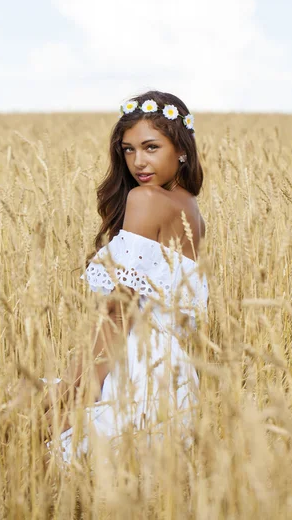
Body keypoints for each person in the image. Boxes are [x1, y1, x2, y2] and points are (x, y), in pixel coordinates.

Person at [41, 90, 209, 465]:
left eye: (151, 147)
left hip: (133, 373)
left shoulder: (146, 199)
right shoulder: (190, 207)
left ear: (181, 148)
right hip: (173, 382)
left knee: (31, 439)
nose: (138, 162)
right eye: (128, 150)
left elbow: (120, 311)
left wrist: (76, 388)